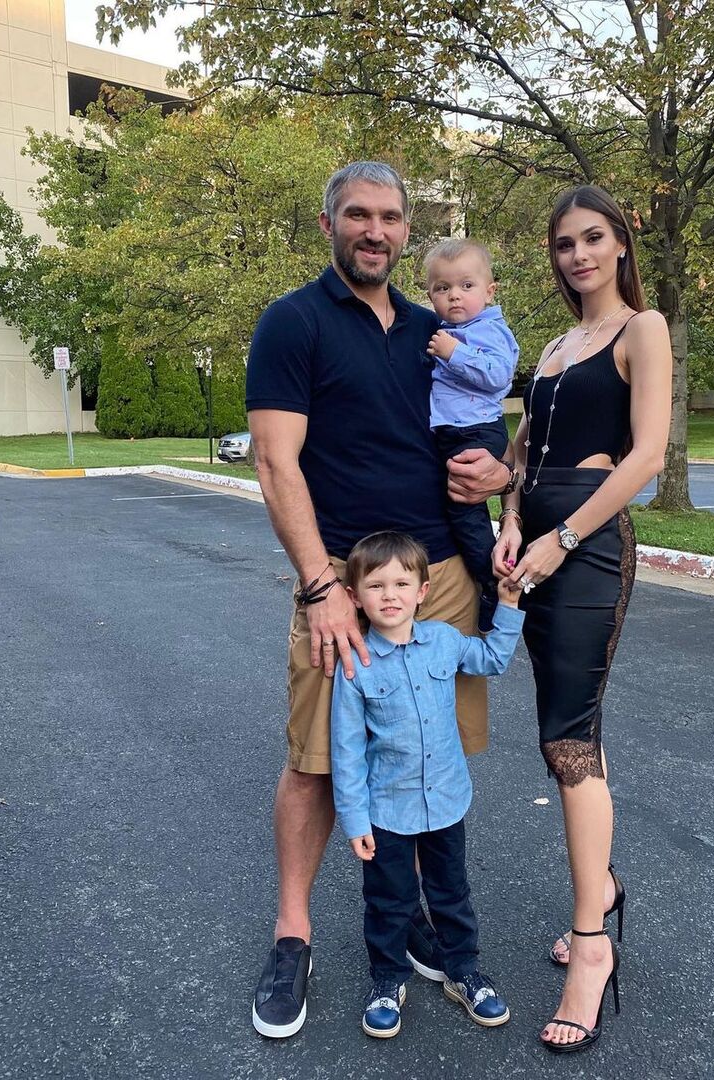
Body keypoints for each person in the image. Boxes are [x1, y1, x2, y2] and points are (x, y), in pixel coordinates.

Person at [245, 161, 515, 1039]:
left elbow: (491, 413)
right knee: (317, 760)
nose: (375, 230)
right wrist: (321, 586)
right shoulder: (295, 322)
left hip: (441, 577)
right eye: (357, 214)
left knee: (431, 746)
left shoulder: (436, 328)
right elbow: (276, 462)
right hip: (344, 579)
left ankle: (419, 921)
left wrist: (505, 474)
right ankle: (293, 936)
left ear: (405, 230)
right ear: (329, 224)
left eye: (390, 217)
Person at [493, 185, 672, 1053]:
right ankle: (600, 888)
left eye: (593, 238)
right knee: (560, 735)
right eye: (565, 243)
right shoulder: (557, 345)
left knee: (570, 739)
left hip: (588, 549)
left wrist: (561, 538)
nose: (579, 255)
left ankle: (592, 945)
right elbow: (524, 448)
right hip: (533, 546)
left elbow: (645, 457)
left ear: (622, 243)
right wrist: (509, 518)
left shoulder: (644, 329)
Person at [330, 531, 524, 1038]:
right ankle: (388, 980)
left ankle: (463, 971)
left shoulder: (443, 640)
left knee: (450, 893)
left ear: (422, 591)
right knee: (388, 901)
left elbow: (493, 659)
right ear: (354, 596)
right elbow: (347, 752)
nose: (389, 595)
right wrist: (354, 820)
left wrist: (508, 604)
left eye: (401, 584)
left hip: (446, 802)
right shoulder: (355, 665)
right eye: (375, 586)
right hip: (386, 812)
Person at [425, 239, 520, 631]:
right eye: (443, 288)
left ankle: (491, 583)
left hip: (476, 432)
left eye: (466, 286)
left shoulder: (487, 329)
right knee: (455, 507)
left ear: (489, 291)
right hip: (454, 432)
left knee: (464, 510)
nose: (454, 295)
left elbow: (499, 376)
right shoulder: (448, 329)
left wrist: (453, 352)